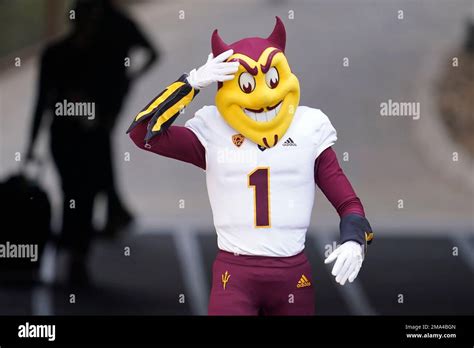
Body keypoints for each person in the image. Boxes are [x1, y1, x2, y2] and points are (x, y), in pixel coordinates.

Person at [128, 17, 373, 315]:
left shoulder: (309, 126)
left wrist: (354, 239)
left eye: (270, 81)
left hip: (293, 276)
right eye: (247, 84)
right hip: (235, 275)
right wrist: (190, 83)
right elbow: (142, 134)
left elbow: (348, 203)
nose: (263, 97)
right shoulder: (213, 128)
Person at [26, 0, 158, 284]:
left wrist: (32, 145)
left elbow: (43, 103)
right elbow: (45, 101)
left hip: (73, 135)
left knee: (77, 193)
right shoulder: (93, 56)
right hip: (81, 135)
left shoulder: (60, 54)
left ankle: (76, 249)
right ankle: (78, 250)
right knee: (80, 194)